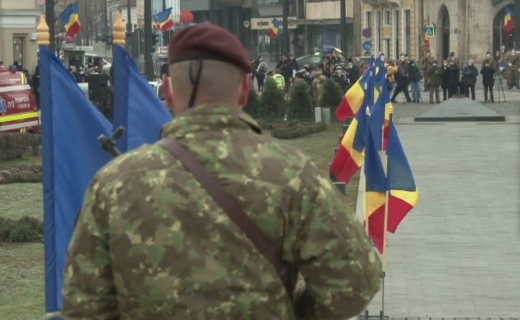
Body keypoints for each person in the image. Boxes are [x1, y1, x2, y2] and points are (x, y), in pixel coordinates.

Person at [61, 23, 381, 320]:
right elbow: (355, 285)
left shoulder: (114, 183)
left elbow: (84, 306)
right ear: (245, 90)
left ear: (168, 92)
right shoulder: (293, 174)